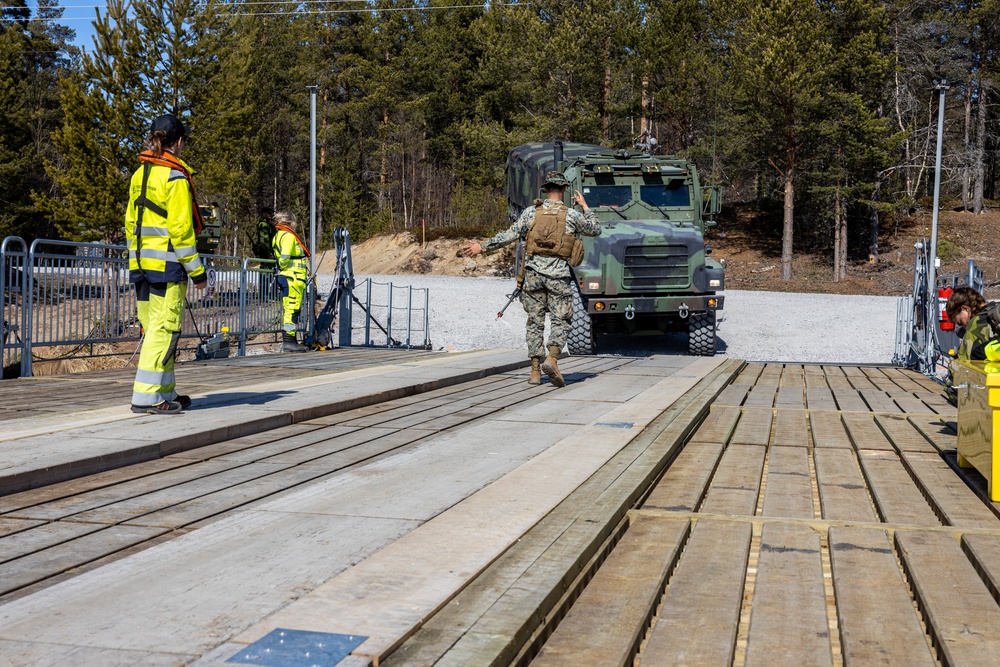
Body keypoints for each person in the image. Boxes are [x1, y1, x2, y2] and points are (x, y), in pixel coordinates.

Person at [462, 171, 601, 387]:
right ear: (564, 189)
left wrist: (481, 246)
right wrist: (584, 205)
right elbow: (595, 229)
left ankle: (535, 371)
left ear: (545, 190)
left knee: (534, 323)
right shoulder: (571, 215)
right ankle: (552, 358)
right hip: (558, 277)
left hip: (533, 278)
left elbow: (509, 235)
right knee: (560, 320)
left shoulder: (530, 213)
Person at [124, 114, 207, 414]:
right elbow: (181, 231)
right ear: (179, 142)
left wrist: (137, 259)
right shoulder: (174, 177)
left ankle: (166, 390)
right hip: (168, 267)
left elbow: (131, 223)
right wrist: (197, 272)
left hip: (141, 265)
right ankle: (148, 397)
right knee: (164, 331)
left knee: (154, 329)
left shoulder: (138, 174)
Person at [944, 286, 1000, 405]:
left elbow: (965, 367)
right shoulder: (995, 312)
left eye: (960, 322)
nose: (963, 326)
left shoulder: (975, 324)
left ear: (965, 308)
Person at [272, 210, 311, 352]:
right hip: (292, 277)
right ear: (290, 222)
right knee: (291, 311)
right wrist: (284, 266)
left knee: (291, 311)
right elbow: (285, 256)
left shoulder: (278, 235)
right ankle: (289, 341)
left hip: (290, 277)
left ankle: (291, 340)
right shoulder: (288, 236)